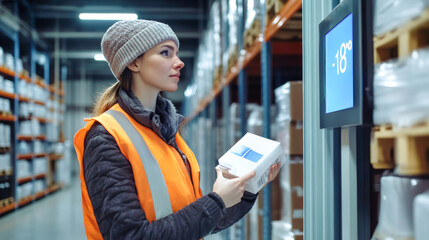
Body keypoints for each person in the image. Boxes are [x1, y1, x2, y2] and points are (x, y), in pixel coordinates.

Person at [74, 19, 281, 240]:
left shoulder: (167, 134)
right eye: (165, 53)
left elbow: (199, 221)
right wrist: (217, 200)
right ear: (134, 63)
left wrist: (248, 188)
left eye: (177, 53)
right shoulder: (105, 137)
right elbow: (130, 235)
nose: (179, 62)